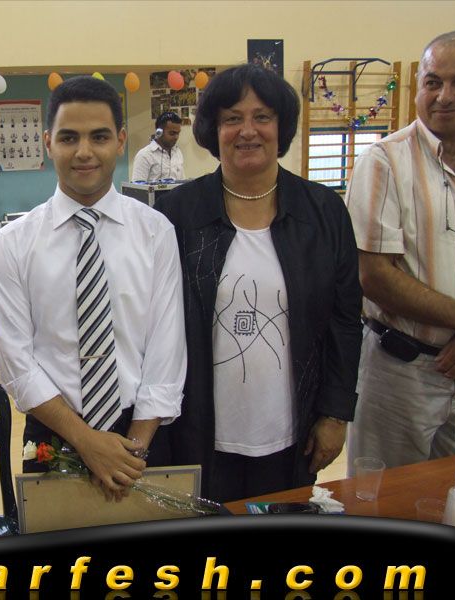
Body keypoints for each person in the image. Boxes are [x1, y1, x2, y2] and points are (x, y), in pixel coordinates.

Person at [155, 64, 362, 503]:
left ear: (281, 127)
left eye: (262, 117)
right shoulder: (176, 214)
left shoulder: (324, 212)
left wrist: (335, 413)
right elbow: (155, 325)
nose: (247, 130)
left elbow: (345, 321)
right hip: (197, 431)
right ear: (213, 130)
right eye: (232, 118)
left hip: (292, 432)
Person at [0, 76, 186, 499]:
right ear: (48, 142)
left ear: (120, 141)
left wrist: (133, 450)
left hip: (142, 433)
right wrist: (87, 442)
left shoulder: (156, 232)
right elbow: (16, 364)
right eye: (68, 137)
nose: (83, 152)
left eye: (98, 136)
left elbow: (166, 351)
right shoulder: (13, 243)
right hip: (54, 431)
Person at [346, 31, 455, 473]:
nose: (444, 96)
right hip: (401, 371)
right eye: (433, 82)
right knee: (382, 496)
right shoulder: (385, 161)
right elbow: (374, 276)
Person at [132, 111, 185, 181]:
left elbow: (182, 181)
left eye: (178, 133)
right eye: (172, 133)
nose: (176, 137)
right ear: (159, 132)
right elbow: (137, 186)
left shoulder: (177, 152)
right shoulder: (144, 155)